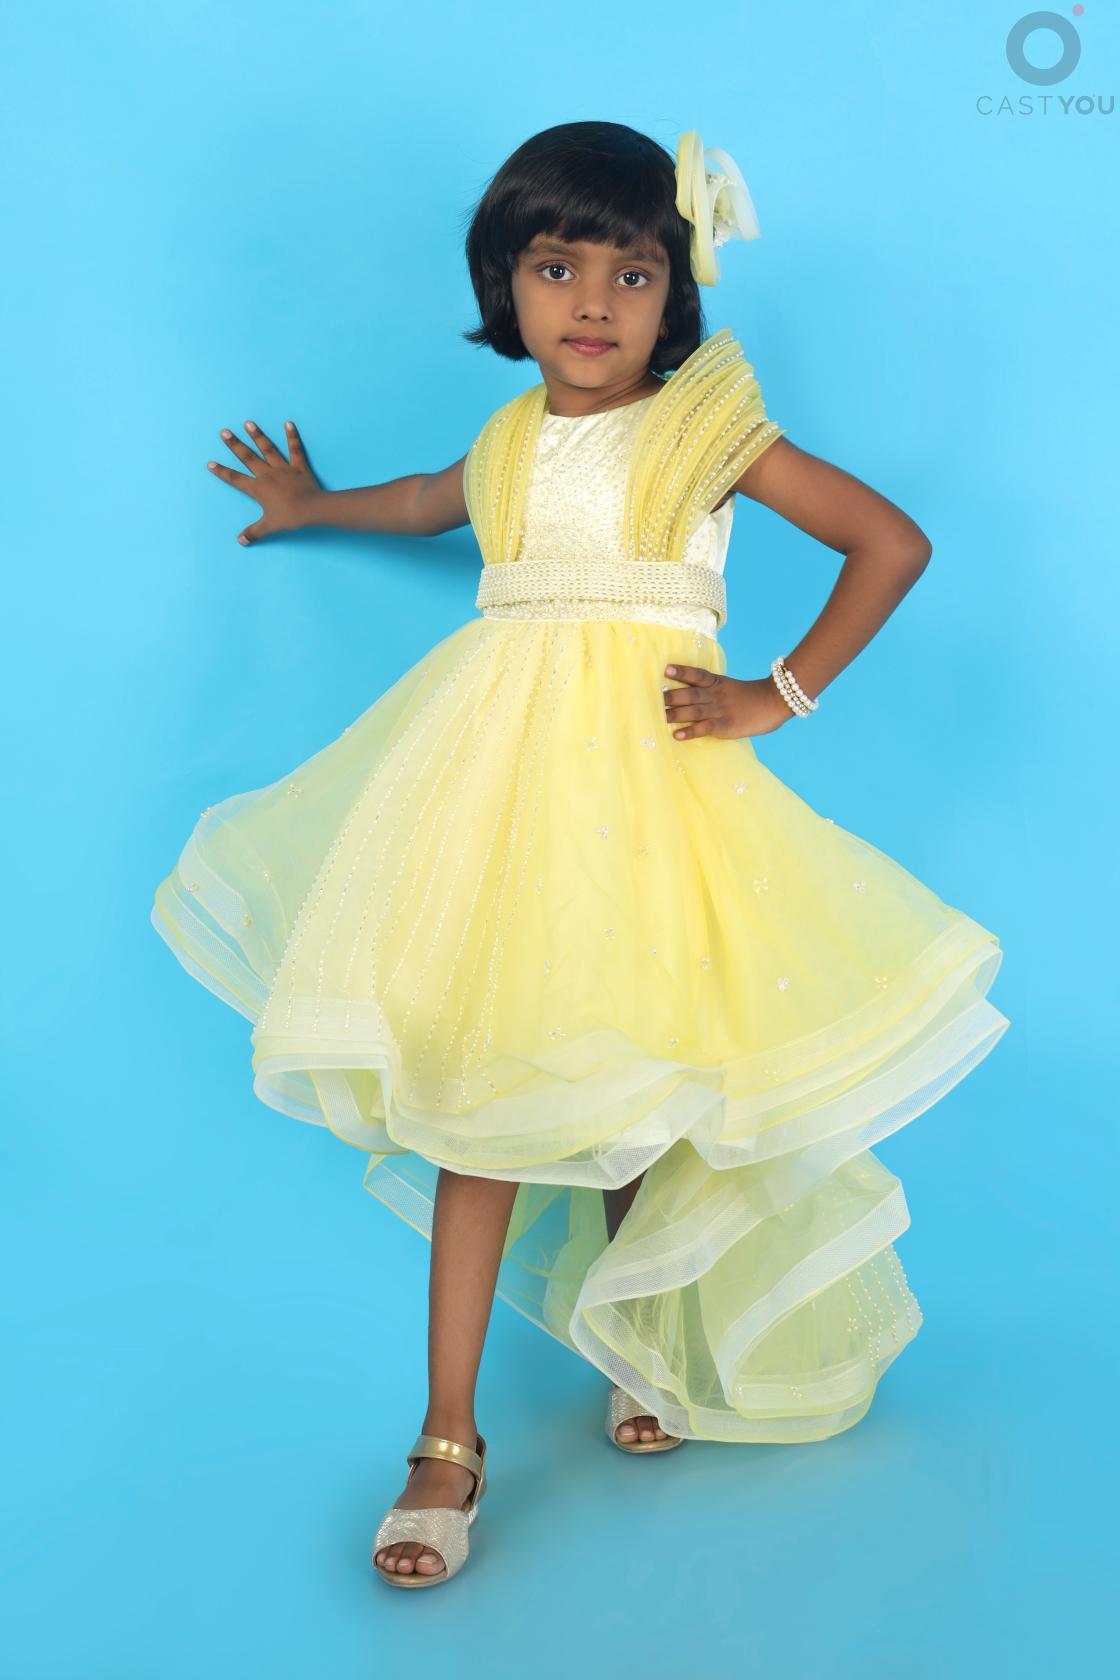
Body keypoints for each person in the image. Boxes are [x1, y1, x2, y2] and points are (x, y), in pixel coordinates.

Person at [151, 120, 1009, 1589]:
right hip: (491, 802)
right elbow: (427, 503)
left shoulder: (704, 429)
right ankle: (446, 1439)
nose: (594, 303)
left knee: (637, 1082)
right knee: (477, 1099)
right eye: (557, 269)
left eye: (633, 272)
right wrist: (311, 506)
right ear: (507, 283)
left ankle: (637, 1346)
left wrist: (775, 695)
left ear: (677, 293)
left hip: (649, 804)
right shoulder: (506, 441)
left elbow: (890, 543)